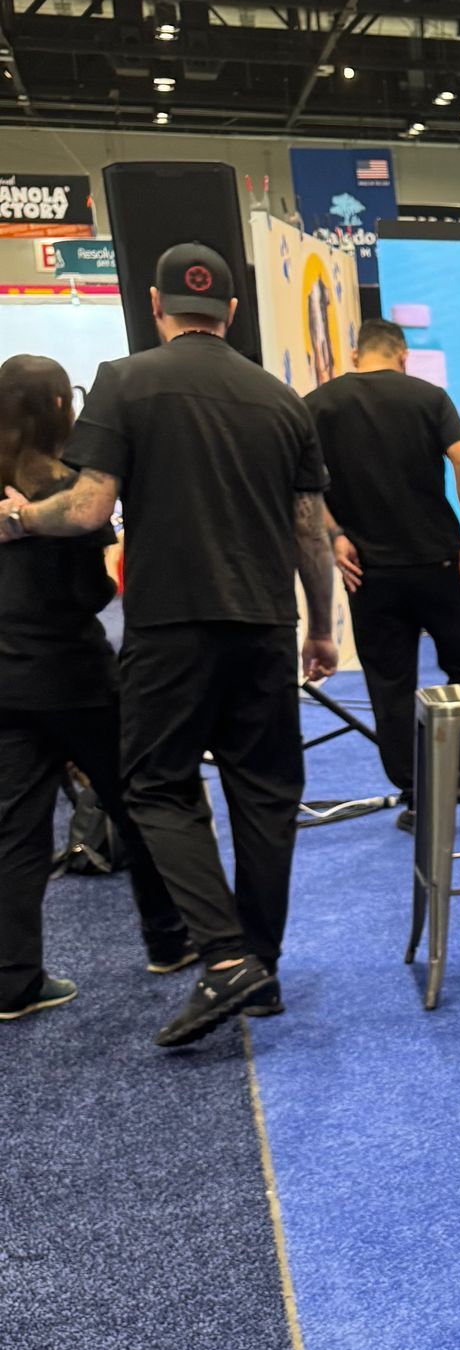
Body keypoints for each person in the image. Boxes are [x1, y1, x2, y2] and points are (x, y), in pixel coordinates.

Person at [0, 244, 337, 1047]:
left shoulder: (125, 380)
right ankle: (260, 967)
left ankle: (224, 960)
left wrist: (19, 516)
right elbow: (310, 534)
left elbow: (85, 510)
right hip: (264, 625)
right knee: (265, 796)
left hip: (170, 628)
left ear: (157, 307)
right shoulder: (282, 398)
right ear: (232, 313)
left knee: (155, 787)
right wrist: (321, 626)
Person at [0, 353, 191, 1020]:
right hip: (78, 681)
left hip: (6, 685)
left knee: (16, 834)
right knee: (138, 804)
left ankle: (13, 980)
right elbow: (91, 592)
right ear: (61, 407)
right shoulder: (69, 488)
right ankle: (169, 940)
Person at [306, 319, 460, 830]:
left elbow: (301, 488)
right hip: (439, 563)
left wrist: (336, 535)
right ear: (403, 354)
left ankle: (418, 796)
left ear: (355, 354)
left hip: (369, 573)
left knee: (390, 686)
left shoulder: (319, 403)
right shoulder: (429, 397)